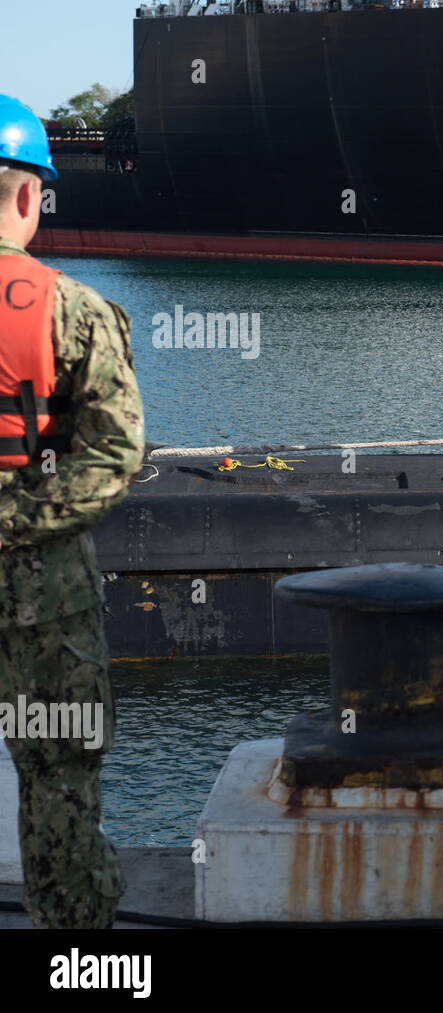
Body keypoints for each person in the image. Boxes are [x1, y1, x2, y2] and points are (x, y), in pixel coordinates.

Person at [0, 94, 144, 928]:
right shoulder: (73, 310)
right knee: (58, 781)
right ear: (32, 195)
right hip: (45, 595)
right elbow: (115, 452)